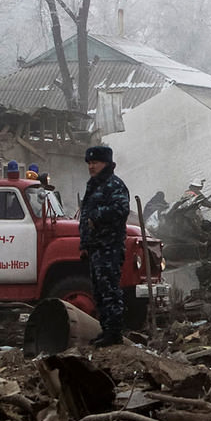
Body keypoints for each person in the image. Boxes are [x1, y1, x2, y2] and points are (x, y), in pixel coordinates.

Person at [79, 145, 130, 347]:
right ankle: (105, 330)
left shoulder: (114, 185)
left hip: (109, 246)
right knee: (99, 291)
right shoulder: (94, 185)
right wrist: (84, 243)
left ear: (106, 163)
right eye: (89, 163)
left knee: (109, 290)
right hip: (95, 247)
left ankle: (114, 333)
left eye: (95, 163)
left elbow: (121, 209)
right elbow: (84, 216)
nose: (91, 166)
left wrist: (97, 217)